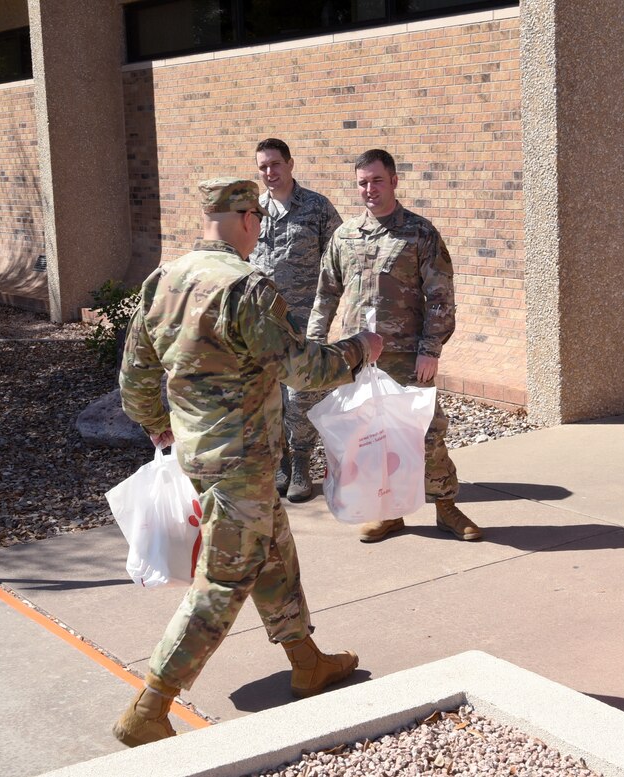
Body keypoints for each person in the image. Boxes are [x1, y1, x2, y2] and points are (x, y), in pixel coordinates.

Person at [112, 177, 383, 748]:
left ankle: (306, 659)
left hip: (205, 456)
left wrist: (154, 421)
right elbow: (300, 369)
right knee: (223, 580)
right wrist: (361, 350)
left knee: (274, 552)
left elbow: (135, 374)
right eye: (257, 218)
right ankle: (149, 705)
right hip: (243, 462)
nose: (258, 227)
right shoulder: (247, 287)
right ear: (244, 217)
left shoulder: (163, 281)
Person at [308, 149, 483, 544]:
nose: (369, 189)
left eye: (377, 180)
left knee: (426, 434)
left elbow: (441, 297)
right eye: (363, 182)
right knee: (368, 439)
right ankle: (387, 513)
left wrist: (431, 349)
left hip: (406, 358)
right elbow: (325, 295)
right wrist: (315, 347)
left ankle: (445, 507)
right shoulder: (344, 236)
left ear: (394, 181)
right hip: (356, 359)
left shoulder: (419, 233)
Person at [250, 138, 343, 503]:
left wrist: (327, 312)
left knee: (301, 392)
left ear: (290, 164)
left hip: (305, 318)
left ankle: (302, 463)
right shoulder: (252, 211)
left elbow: (337, 260)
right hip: (262, 322)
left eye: (275, 164)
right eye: (263, 167)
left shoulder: (316, 207)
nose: (269, 173)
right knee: (269, 393)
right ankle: (281, 462)